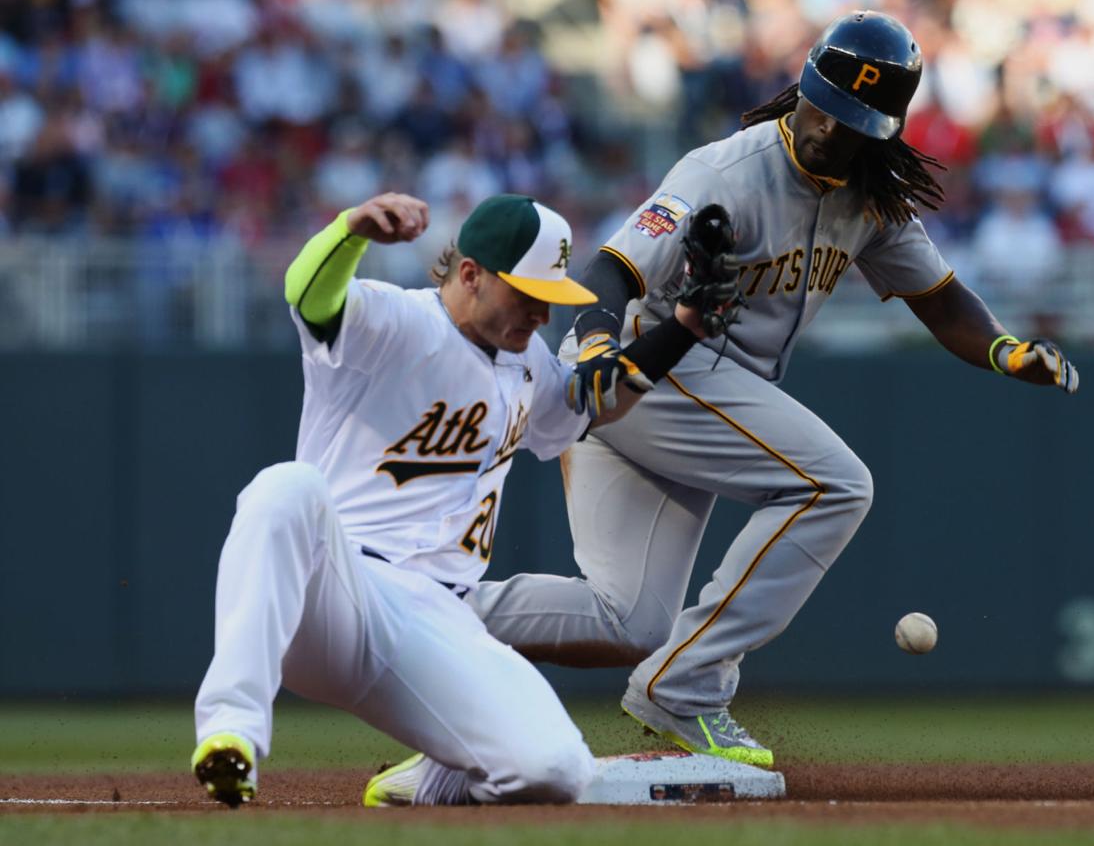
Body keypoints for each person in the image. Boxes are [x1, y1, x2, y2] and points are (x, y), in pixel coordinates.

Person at [469, 11, 1079, 768]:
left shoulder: (872, 197)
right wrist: (595, 340)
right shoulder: (722, 171)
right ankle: (687, 685)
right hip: (645, 367)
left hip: (703, 393)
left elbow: (943, 299)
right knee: (835, 484)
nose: (825, 125)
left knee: (625, 620)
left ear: (883, 128)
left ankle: (426, 616)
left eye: (849, 118)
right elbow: (613, 270)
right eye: (819, 101)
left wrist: (1002, 348)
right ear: (803, 86)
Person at [190, 191, 713, 807]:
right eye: (528, 297)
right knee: (286, 487)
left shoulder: (528, 364)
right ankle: (232, 730)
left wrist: (682, 329)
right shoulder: (396, 321)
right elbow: (308, 295)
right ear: (471, 274)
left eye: (550, 301)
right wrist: (349, 229)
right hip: (335, 591)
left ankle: (433, 780)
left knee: (556, 769)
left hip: (436, 621)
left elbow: (591, 402)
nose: (541, 317)